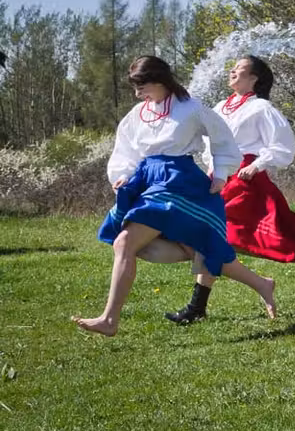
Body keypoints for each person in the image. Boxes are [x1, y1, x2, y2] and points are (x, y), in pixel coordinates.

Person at [72, 56, 276, 337]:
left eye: (142, 86)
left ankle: (109, 320)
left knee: (125, 243)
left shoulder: (190, 108)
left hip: (178, 181)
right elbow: (127, 149)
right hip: (146, 180)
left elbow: (222, 137)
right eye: (135, 87)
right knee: (191, 249)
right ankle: (262, 284)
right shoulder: (138, 113)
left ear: (160, 81)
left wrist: (220, 173)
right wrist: (124, 174)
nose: (138, 94)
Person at [163, 56, 295, 324]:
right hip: (221, 178)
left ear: (254, 78)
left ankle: (198, 307)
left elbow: (283, 145)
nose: (232, 72)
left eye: (239, 70)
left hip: (245, 179)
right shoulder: (220, 107)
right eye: (232, 68)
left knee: (220, 236)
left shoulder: (261, 108)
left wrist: (257, 165)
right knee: (220, 237)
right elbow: (210, 143)